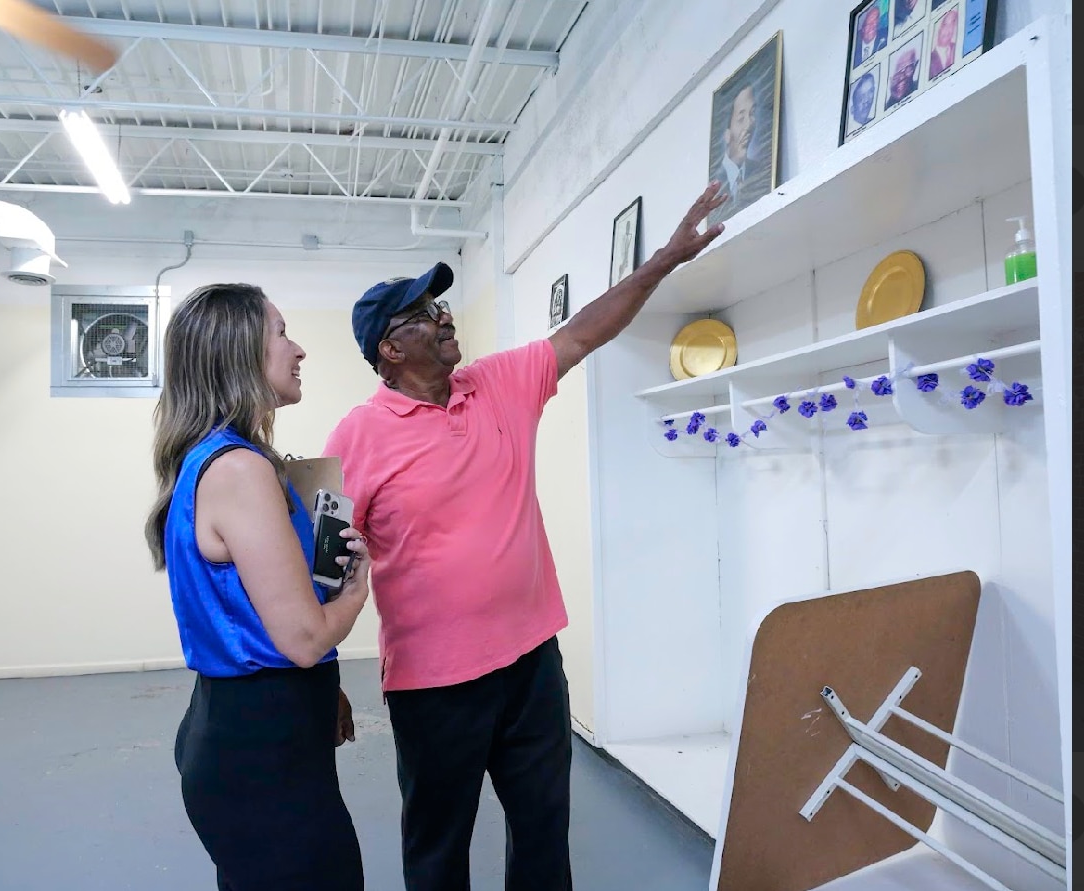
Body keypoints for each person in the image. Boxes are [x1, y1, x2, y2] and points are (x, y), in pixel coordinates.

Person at [321, 182, 728, 891]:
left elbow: (583, 332)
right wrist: (320, 677)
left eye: (440, 305)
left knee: (542, 834)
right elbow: (323, 565)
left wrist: (662, 260)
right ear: (389, 348)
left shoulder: (499, 381)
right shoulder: (355, 436)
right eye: (422, 313)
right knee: (437, 849)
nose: (443, 317)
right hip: (433, 686)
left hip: (532, 665)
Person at [146, 283, 372, 891]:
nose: (298, 349)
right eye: (281, 332)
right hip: (260, 747)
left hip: (251, 726)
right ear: (239, 352)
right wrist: (356, 590)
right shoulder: (241, 470)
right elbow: (302, 639)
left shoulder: (223, 457)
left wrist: (326, 695)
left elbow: (264, 620)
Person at [708, 81, 770, 226]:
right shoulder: (715, 185)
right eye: (741, 119)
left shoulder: (762, 172)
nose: (749, 125)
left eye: (752, 114)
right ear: (727, 134)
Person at [853, 3, 888, 67]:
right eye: (868, 24)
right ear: (862, 29)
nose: (872, 27)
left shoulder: (885, 37)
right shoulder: (855, 49)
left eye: (875, 23)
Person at [885, 44, 920, 109]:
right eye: (898, 71)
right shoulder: (886, 108)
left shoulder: (918, 87)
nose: (902, 77)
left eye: (908, 69)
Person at [928, 7, 959, 79]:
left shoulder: (957, 48)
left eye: (952, 25)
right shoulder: (929, 59)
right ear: (938, 28)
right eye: (945, 25)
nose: (948, 30)